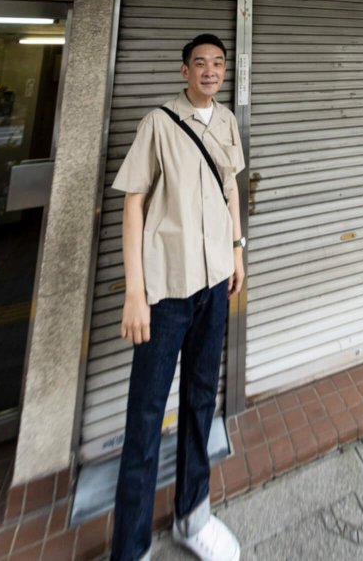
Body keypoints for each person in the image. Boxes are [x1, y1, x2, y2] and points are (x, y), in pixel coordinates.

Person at [110, 34, 246, 561]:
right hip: (166, 292)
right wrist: (135, 292)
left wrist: (237, 252)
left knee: (200, 402)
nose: (210, 71)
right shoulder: (158, 123)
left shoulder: (227, 121)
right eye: (200, 63)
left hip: (214, 286)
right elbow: (133, 205)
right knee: (145, 417)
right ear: (184, 71)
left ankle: (192, 516)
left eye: (218, 64)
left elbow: (231, 191)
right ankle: (131, 548)